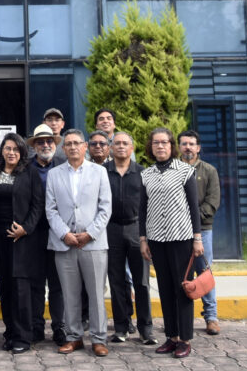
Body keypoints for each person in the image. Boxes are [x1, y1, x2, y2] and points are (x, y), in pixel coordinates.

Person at [45, 129, 112, 357]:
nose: (73, 147)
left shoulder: (99, 172)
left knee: (96, 294)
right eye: (69, 144)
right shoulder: (54, 174)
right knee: (69, 293)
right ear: (63, 148)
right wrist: (64, 233)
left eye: (77, 143)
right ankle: (74, 337)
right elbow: (51, 209)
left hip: (93, 243)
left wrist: (90, 233)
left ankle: (99, 339)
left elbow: (105, 208)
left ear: (85, 147)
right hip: (64, 243)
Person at [140, 128, 204, 359]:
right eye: (156, 142)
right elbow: (143, 209)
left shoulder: (185, 171)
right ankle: (172, 337)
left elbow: (194, 207)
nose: (160, 146)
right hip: (157, 239)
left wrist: (197, 238)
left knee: (183, 289)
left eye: (164, 142)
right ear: (151, 147)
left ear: (171, 146)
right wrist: (143, 239)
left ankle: (185, 339)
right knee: (165, 289)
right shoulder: (146, 175)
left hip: (182, 238)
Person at [0, 132, 45, 354]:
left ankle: (23, 337)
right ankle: (10, 333)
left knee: (21, 288)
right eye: (8, 148)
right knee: (5, 287)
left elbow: (38, 205)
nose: (11, 153)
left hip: (22, 238)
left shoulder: (30, 173)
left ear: (22, 152)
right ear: (2, 150)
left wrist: (26, 228)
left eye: (16, 149)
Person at [104, 132, 155, 344]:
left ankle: (146, 329)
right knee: (116, 281)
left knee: (142, 282)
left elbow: (151, 205)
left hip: (137, 229)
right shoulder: (102, 172)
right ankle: (121, 327)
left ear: (132, 148)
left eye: (125, 143)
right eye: (117, 143)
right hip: (111, 229)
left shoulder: (143, 173)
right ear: (111, 148)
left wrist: (147, 236)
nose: (121, 146)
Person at [26, 125, 66, 346]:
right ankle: (36, 326)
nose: (45, 145)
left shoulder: (63, 166)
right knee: (36, 283)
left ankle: (59, 327)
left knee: (57, 284)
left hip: (58, 232)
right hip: (33, 233)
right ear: (34, 146)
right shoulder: (25, 168)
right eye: (40, 142)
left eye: (49, 141)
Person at [179, 130, 221, 336]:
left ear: (198, 148)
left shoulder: (209, 171)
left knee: (204, 272)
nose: (188, 147)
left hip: (203, 230)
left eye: (191, 144)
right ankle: (181, 318)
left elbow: (212, 202)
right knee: (180, 274)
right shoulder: (173, 169)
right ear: (179, 147)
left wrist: (192, 218)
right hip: (177, 231)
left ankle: (211, 317)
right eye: (184, 144)